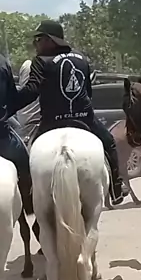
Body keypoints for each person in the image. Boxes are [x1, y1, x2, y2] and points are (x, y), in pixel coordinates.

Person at [14, 19, 124, 205]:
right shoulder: (81, 58)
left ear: (50, 40)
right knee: (109, 142)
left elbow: (32, 90)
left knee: (28, 153)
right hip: (85, 119)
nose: (35, 44)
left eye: (38, 39)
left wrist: (10, 103)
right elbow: (87, 92)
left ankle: (29, 196)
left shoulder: (41, 61)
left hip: (52, 121)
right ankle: (116, 188)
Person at [0, 53, 32, 211]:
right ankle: (27, 203)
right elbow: (11, 97)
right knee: (25, 163)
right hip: (1, 135)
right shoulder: (1, 61)